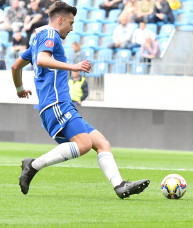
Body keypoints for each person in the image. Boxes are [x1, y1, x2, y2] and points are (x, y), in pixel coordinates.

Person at [12, 1, 150, 199]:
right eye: (70, 23)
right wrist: (74, 67)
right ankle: (33, 166)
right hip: (56, 103)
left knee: (102, 143)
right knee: (84, 144)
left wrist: (19, 89)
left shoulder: (38, 39)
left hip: (60, 104)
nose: (72, 28)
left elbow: (16, 66)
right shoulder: (49, 34)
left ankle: (120, 185)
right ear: (60, 20)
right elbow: (42, 59)